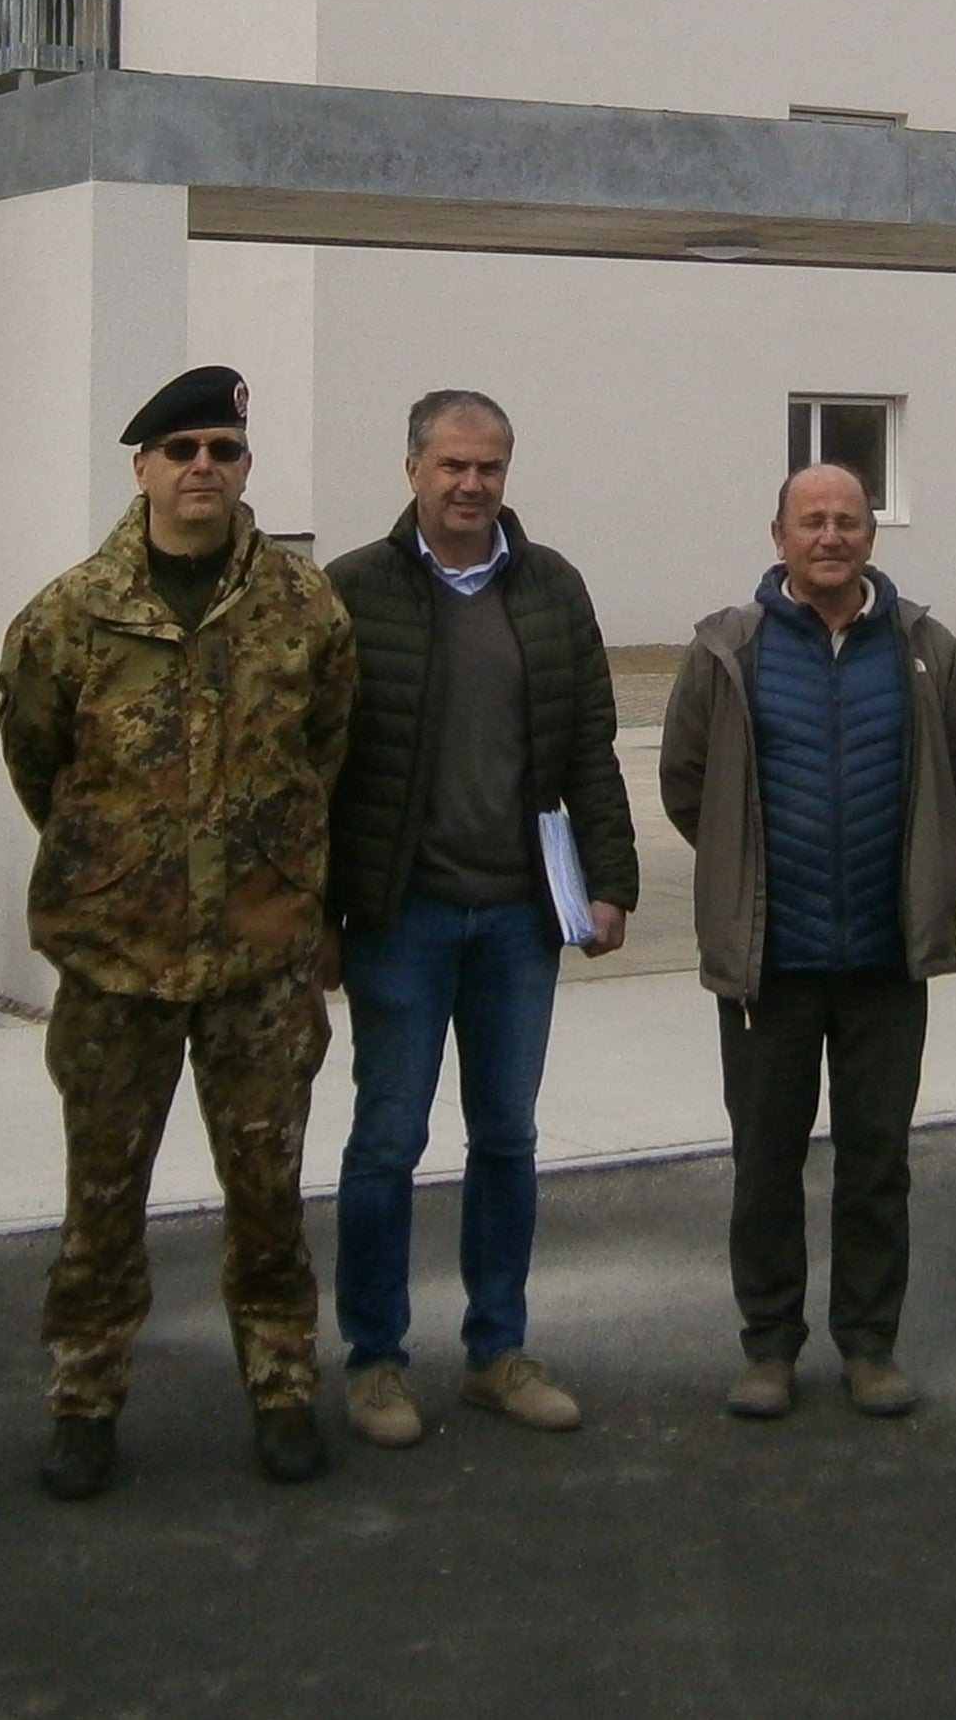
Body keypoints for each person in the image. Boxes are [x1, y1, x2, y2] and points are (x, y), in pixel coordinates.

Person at [0, 364, 357, 1499]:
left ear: (245, 467)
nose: (204, 467)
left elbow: (325, 753)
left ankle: (282, 1383)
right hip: (118, 959)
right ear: (142, 467)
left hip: (259, 955)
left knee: (268, 1192)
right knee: (102, 1198)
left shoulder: (304, 608)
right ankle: (85, 1397)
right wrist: (121, 866)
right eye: (182, 449)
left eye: (224, 450)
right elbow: (39, 764)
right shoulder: (69, 615)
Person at [323, 391, 637, 1447]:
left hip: (516, 919)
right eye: (452, 465)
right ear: (413, 468)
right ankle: (374, 1360)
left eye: (489, 467)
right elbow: (320, 764)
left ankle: (498, 1352)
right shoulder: (352, 591)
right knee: (387, 1140)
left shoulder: (552, 588)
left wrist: (611, 881)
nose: (471, 484)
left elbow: (589, 741)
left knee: (506, 1137)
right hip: (400, 918)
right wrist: (322, 911)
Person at [658, 463, 956, 1419]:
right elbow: (688, 784)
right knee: (765, 1164)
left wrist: (917, 874)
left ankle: (870, 1346)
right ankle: (768, 1346)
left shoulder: (925, 648)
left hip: (887, 959)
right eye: (812, 521)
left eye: (848, 519)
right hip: (771, 964)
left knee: (877, 1164)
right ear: (780, 536)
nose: (831, 535)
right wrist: (747, 876)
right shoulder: (729, 649)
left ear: (871, 537)